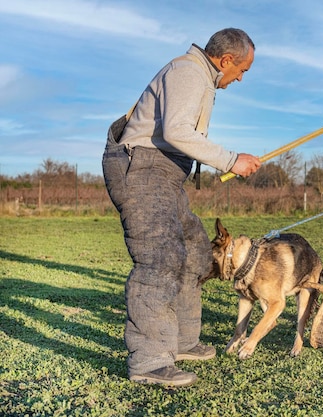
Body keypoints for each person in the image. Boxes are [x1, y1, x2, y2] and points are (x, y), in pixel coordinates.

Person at [102, 28, 261, 386]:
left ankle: (182, 342)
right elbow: (176, 131)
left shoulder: (197, 75)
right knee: (160, 257)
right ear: (226, 61)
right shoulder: (189, 72)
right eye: (242, 71)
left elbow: (179, 135)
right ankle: (149, 361)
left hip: (163, 174)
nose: (240, 79)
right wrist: (231, 160)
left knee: (194, 252)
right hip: (142, 168)